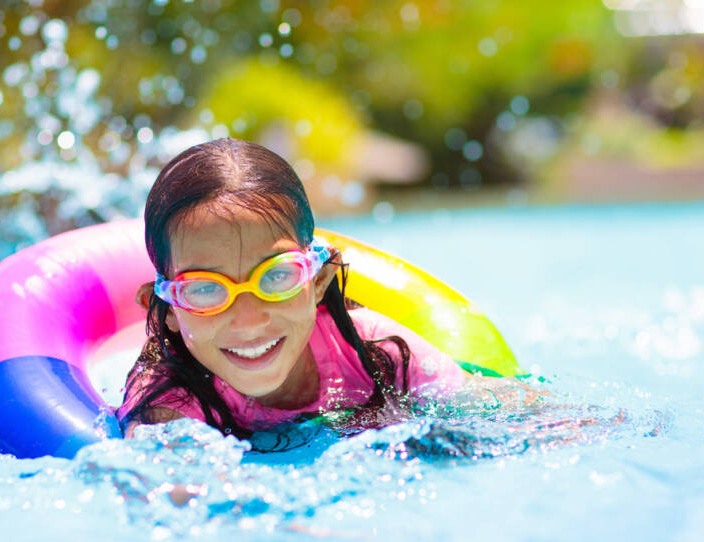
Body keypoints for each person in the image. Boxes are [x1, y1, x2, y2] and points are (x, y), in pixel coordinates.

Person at [118, 138, 537, 445]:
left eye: (277, 276)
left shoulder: (375, 355)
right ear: (168, 307)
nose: (248, 320)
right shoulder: (169, 404)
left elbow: (505, 413)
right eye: (206, 290)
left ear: (317, 279)